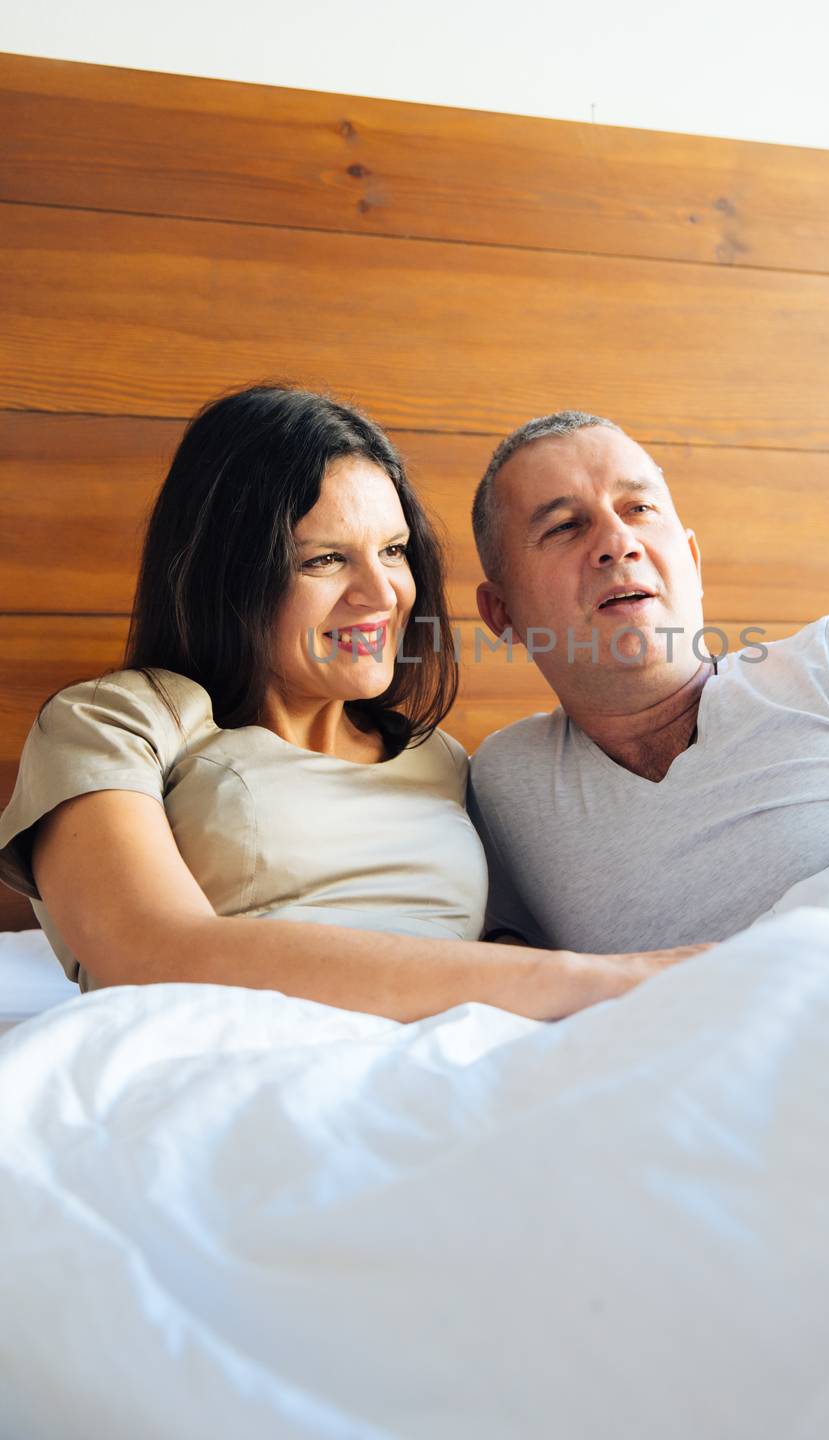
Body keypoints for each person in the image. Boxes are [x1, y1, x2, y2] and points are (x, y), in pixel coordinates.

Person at [0, 386, 707, 1022]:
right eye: (324, 559)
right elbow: (153, 956)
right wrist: (605, 981)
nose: (381, 595)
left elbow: (496, 948)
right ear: (230, 578)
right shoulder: (115, 722)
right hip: (232, 1058)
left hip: (459, 1064)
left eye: (393, 551)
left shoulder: (442, 761)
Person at [467, 411, 829, 952]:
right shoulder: (502, 786)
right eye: (566, 526)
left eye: (639, 508)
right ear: (502, 615)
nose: (618, 543)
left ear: (694, 563)